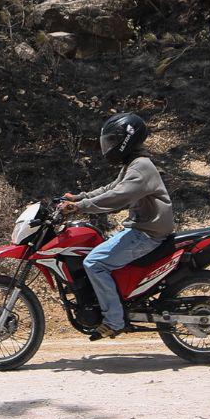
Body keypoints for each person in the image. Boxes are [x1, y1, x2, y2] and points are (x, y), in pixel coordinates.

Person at [60, 113, 174, 339]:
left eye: (112, 141)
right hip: (142, 230)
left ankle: (114, 320)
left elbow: (118, 197)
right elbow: (109, 189)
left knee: (94, 263)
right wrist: (78, 198)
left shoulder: (141, 167)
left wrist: (80, 206)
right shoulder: (133, 165)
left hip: (147, 234)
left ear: (126, 140)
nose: (108, 147)